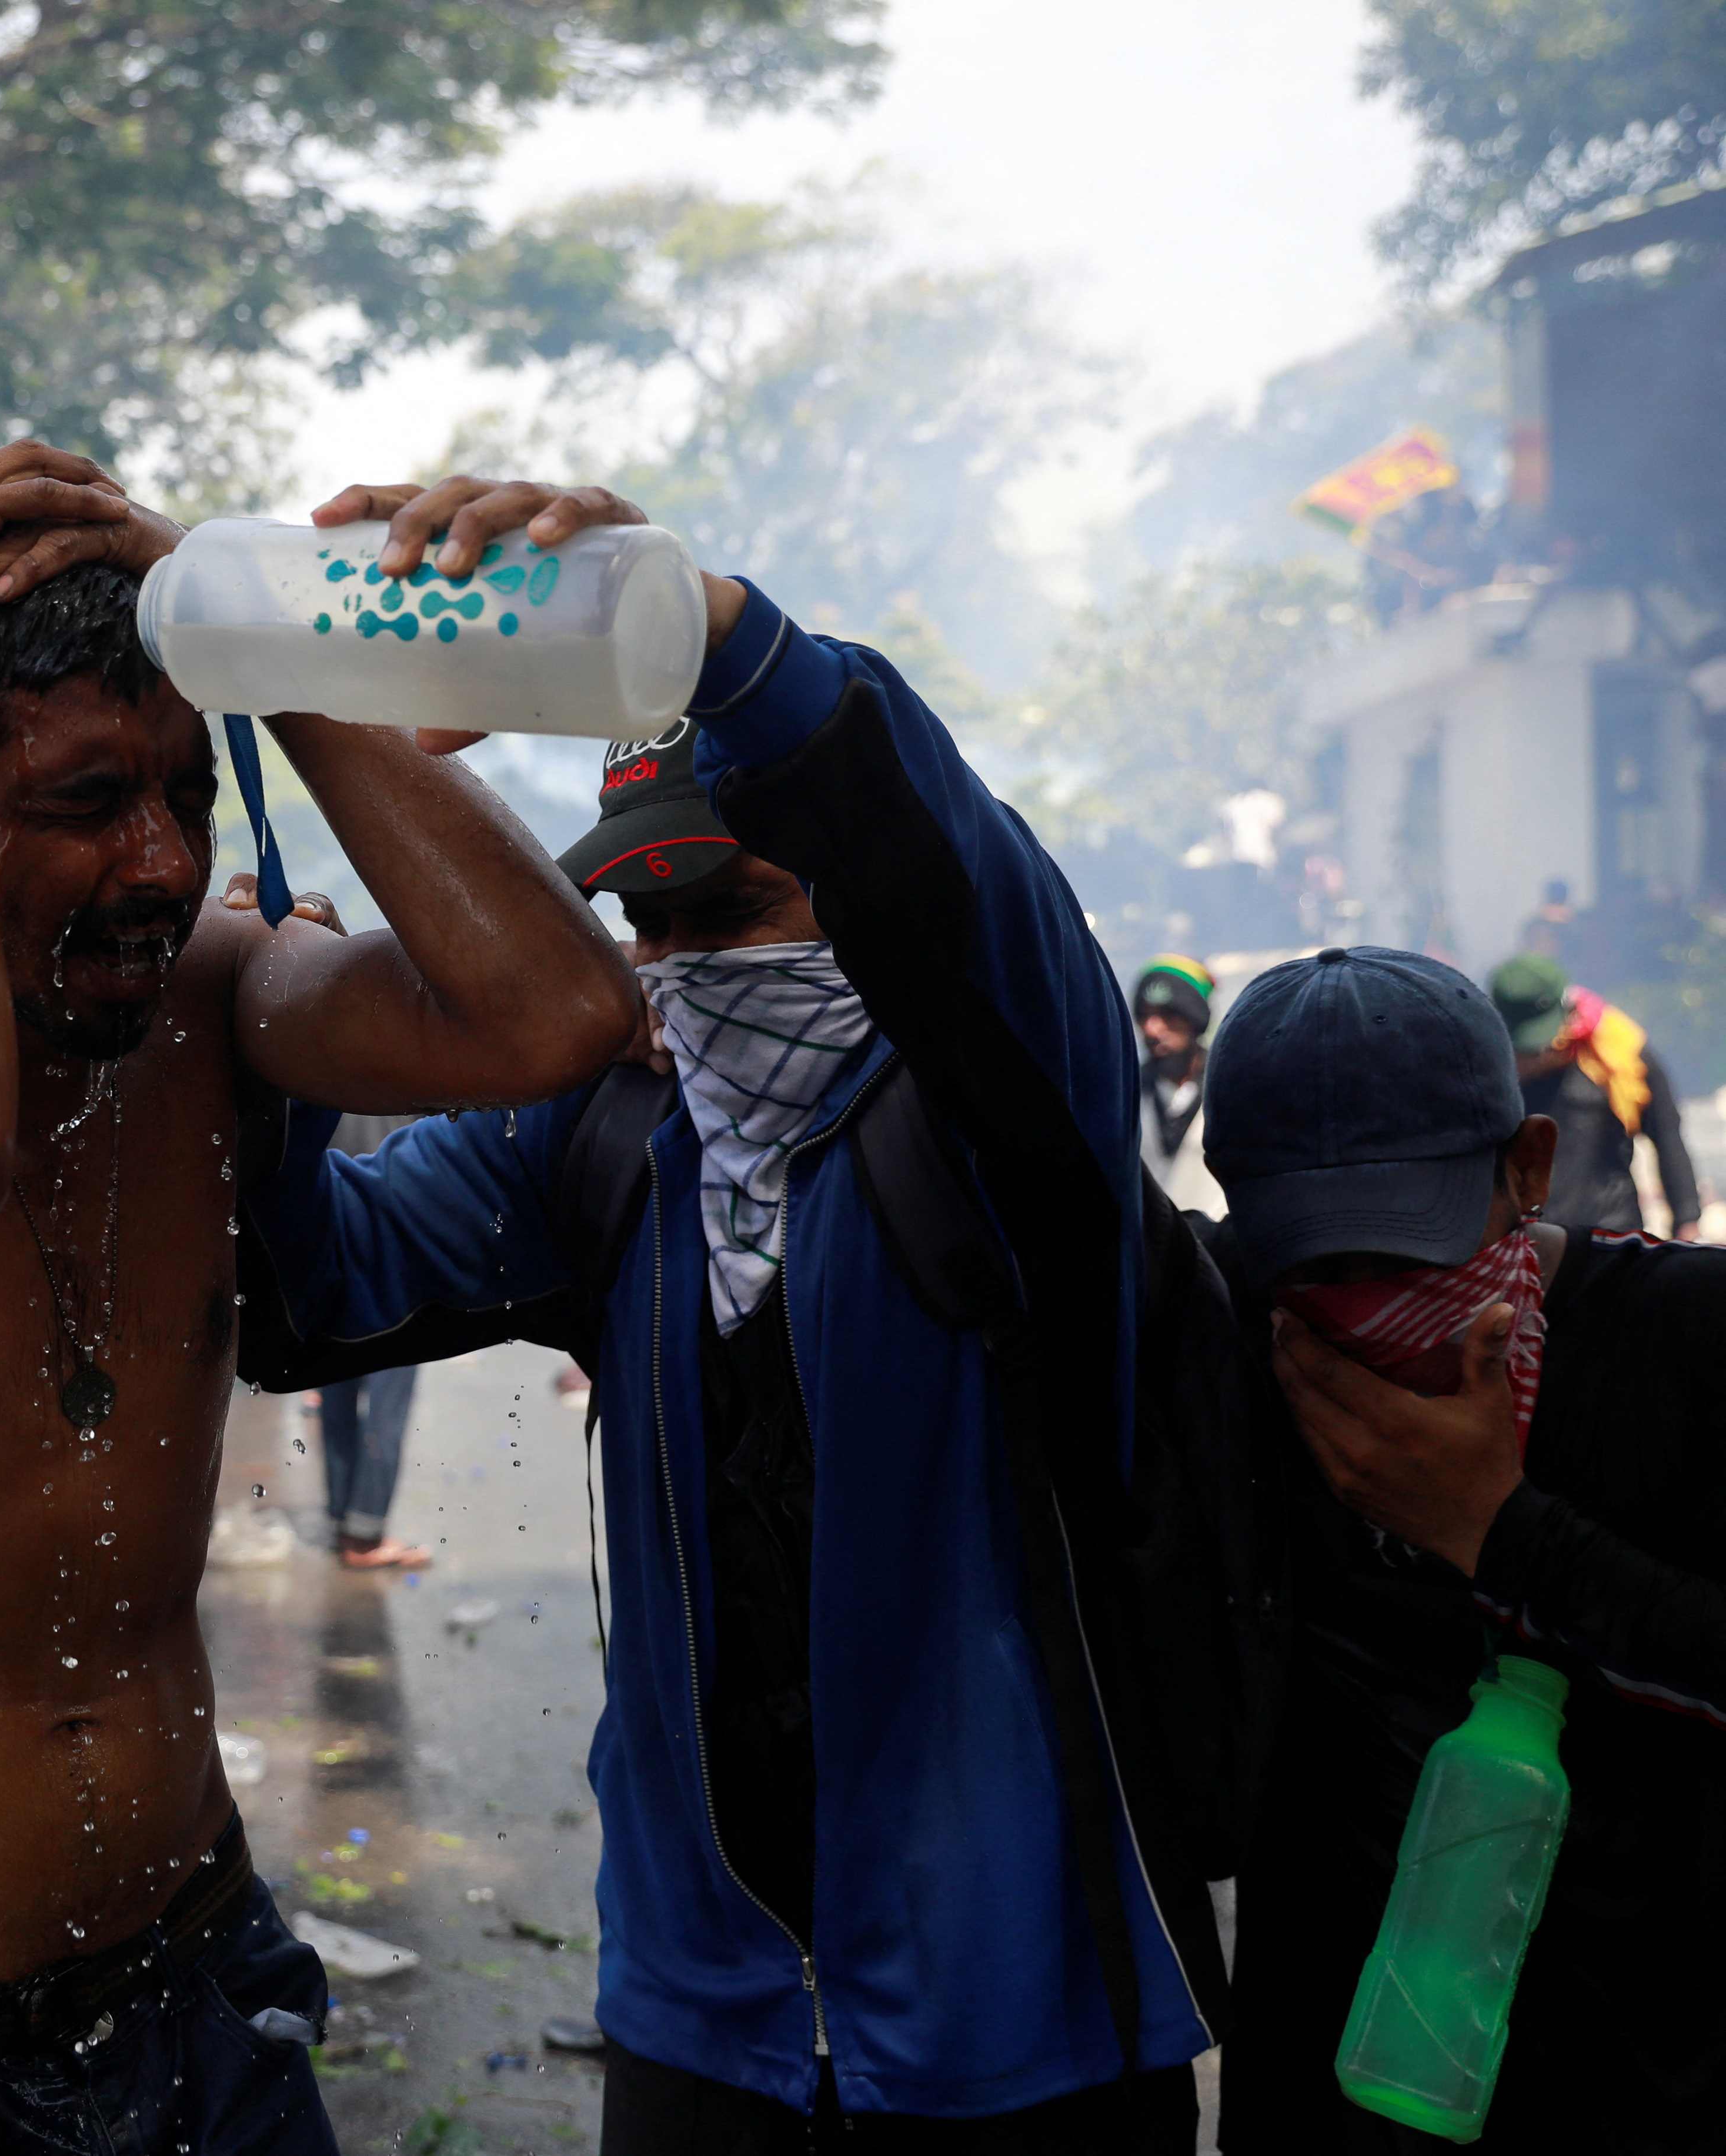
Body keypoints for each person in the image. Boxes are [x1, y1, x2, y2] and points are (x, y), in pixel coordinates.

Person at [0, 444, 637, 2155]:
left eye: (186, 790)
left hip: (192, 1972)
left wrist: (277, 651)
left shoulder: (210, 1004)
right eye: (85, 801)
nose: (161, 862)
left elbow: (552, 1014)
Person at [239, 479, 1224, 2150]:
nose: (682, 967)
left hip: (1022, 2023)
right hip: (702, 2020)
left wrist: (705, 629)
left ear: (843, 887)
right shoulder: (615, 1135)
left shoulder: (1013, 1114)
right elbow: (307, 1295)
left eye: (733, 910)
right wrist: (275, 1028)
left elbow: (950, 881)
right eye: (647, 923)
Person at [1201, 948, 1726, 2152]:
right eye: (1313, 1260)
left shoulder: (1686, 1347)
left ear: (1526, 1170)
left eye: (1406, 1248)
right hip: (1333, 2092)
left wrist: (1500, 1536)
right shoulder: (1227, 1338)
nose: (1358, 1297)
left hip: (1644, 2084)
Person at [1484, 953, 1703, 1239]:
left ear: (1567, 1009)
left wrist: (1686, 1222)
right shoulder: (1485, 1066)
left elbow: (1667, 1136)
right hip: (1518, 1241)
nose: (1538, 1053)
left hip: (1608, 1238)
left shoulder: (1618, 1055)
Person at [314, 1114, 431, 1569]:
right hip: (395, 1251)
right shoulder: (409, 1066)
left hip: (330, 1242)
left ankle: (344, 1516)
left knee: (337, 1394)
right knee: (388, 1404)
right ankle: (365, 1535)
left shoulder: (321, 1065)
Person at [1133, 954, 1226, 1214]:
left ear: (1195, 1020)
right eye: (1144, 1016)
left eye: (1168, 1015)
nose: (1152, 1029)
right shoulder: (1124, 1099)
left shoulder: (1230, 1093)